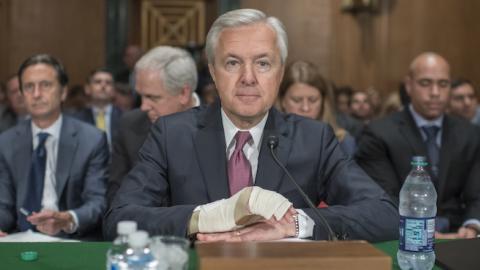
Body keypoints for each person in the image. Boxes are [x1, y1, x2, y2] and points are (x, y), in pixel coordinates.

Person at [104, 8, 398, 242]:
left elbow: (384, 214)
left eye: (262, 64)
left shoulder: (314, 139)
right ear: (213, 73)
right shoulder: (172, 134)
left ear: (279, 74)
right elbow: (119, 218)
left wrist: (293, 224)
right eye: (232, 63)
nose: (248, 77)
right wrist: (207, 218)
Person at [356, 52, 480, 239]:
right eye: (425, 83)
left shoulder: (469, 133)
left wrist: (472, 226)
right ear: (409, 86)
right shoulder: (379, 133)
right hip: (404, 234)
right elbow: (384, 198)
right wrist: (425, 230)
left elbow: (476, 194)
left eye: (443, 84)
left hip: (460, 235)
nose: (435, 92)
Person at [0, 54, 109, 239]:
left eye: (45, 85)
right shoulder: (6, 142)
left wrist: (68, 219)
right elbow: (4, 205)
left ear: (63, 92)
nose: (36, 94)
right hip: (19, 240)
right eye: (28, 87)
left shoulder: (91, 140)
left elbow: (98, 202)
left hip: (70, 240)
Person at [106, 46, 200, 204]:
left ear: (183, 93)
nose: (143, 107)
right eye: (141, 96)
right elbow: (116, 198)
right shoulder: (130, 125)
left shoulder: (220, 126)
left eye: (152, 97)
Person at [278, 60, 356, 156]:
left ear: (323, 102)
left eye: (313, 100)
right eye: (297, 100)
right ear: (282, 101)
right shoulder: (263, 140)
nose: (305, 108)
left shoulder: (342, 142)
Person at [73, 68, 122, 147]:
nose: (103, 86)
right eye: (98, 82)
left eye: (108, 83)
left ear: (113, 91)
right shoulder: (76, 120)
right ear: (87, 89)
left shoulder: (124, 118)